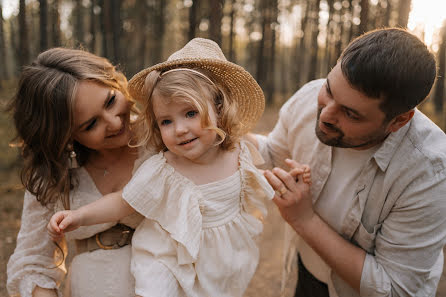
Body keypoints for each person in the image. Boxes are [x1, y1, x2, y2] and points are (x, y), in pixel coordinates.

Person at [47, 38, 312, 297]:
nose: (180, 129)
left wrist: (291, 175)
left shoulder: (239, 152)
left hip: (224, 258)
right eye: (166, 121)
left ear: (219, 107)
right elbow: (124, 202)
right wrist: (80, 216)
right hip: (167, 256)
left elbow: (265, 167)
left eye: (190, 113)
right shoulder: (166, 168)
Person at [251, 27, 446, 297]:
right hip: (308, 272)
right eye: (329, 90)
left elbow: (395, 289)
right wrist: (218, 136)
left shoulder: (430, 171)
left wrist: (304, 220)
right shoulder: (310, 97)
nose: (325, 115)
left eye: (351, 114)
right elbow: (272, 151)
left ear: (399, 121)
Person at [6, 48, 147, 297]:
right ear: (66, 136)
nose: (114, 122)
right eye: (91, 124)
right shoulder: (53, 174)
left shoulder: (165, 137)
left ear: (114, 81)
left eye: (111, 101)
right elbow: (32, 264)